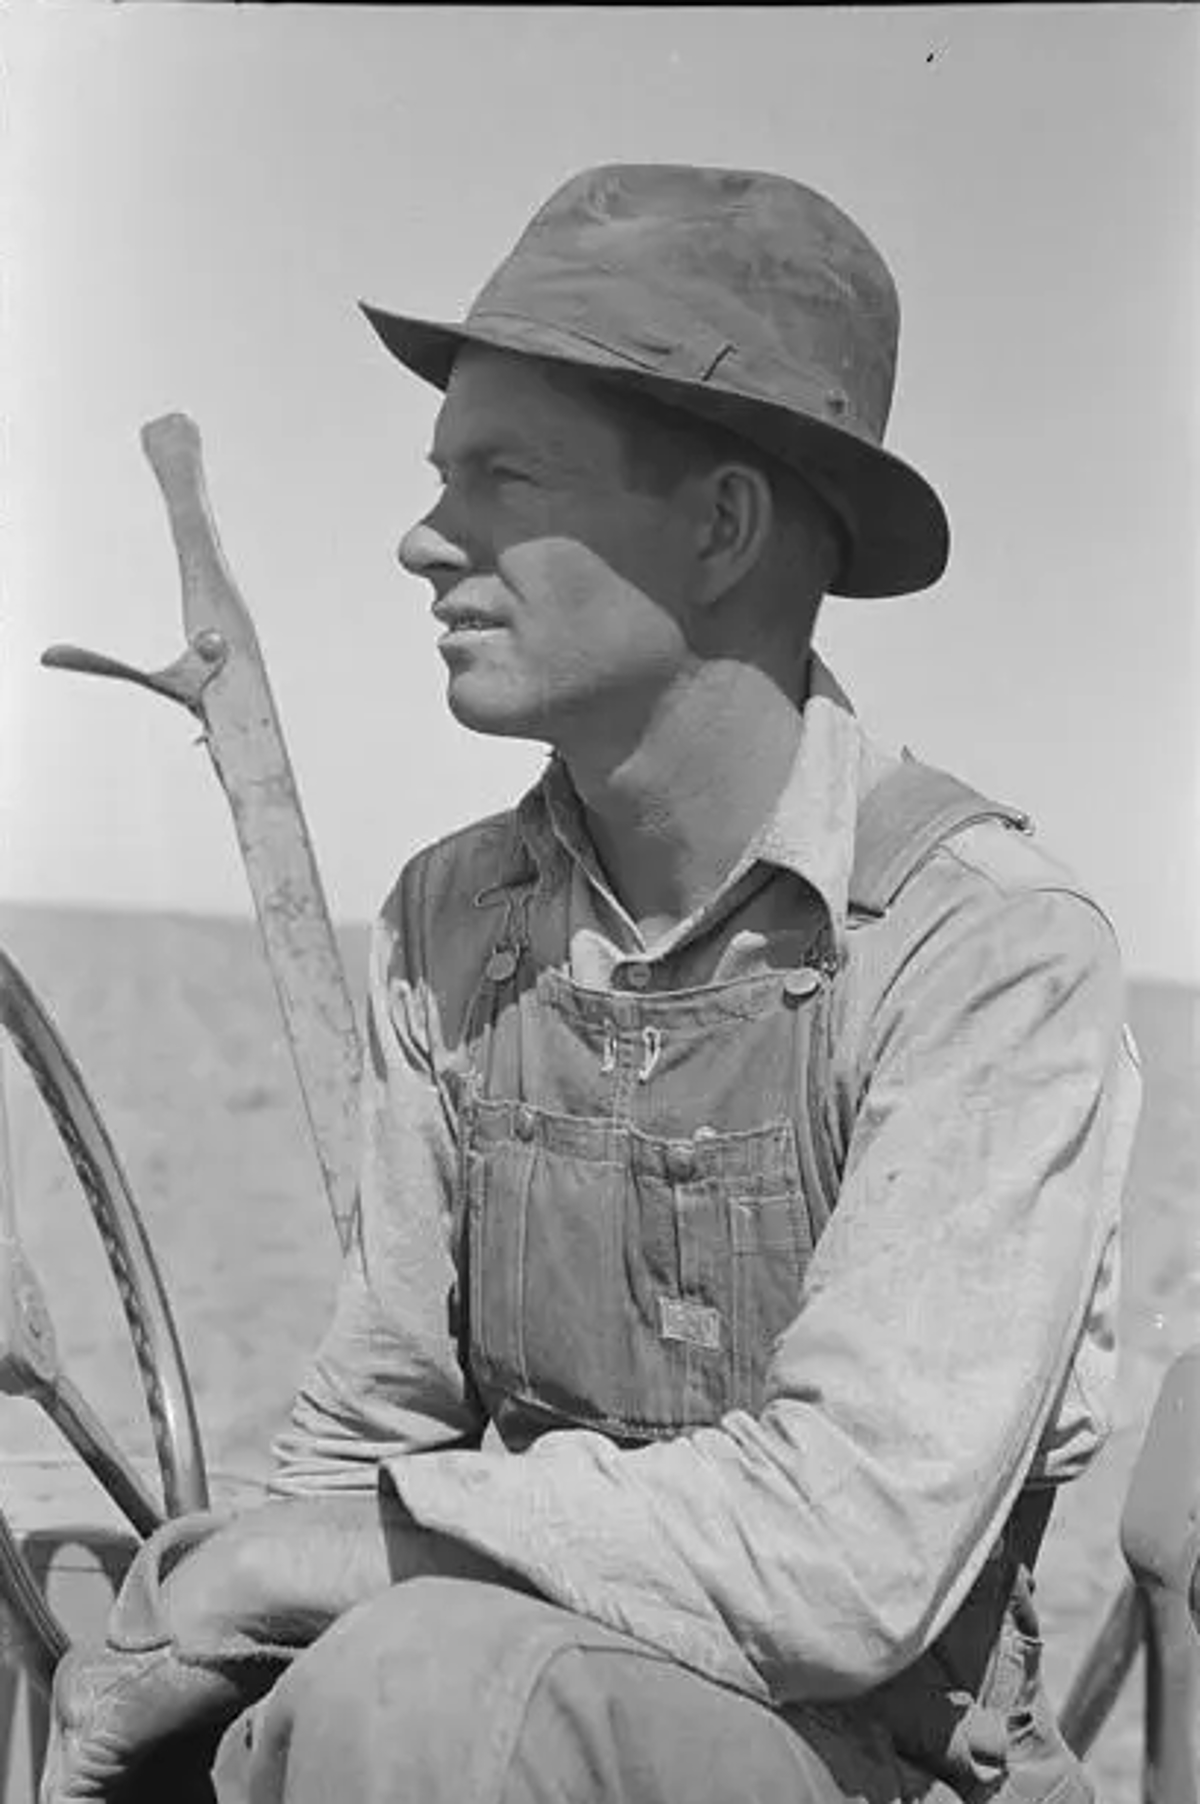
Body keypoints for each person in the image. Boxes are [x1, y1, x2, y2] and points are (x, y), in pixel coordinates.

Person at [42, 164, 1141, 1804]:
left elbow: (840, 1558)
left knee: (416, 1687)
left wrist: (296, 1564)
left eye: (501, 476)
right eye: (441, 478)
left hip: (894, 1768)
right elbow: (369, 1429)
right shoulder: (454, 919)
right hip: (526, 1707)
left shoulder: (984, 952)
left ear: (722, 528)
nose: (424, 539)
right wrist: (218, 1640)